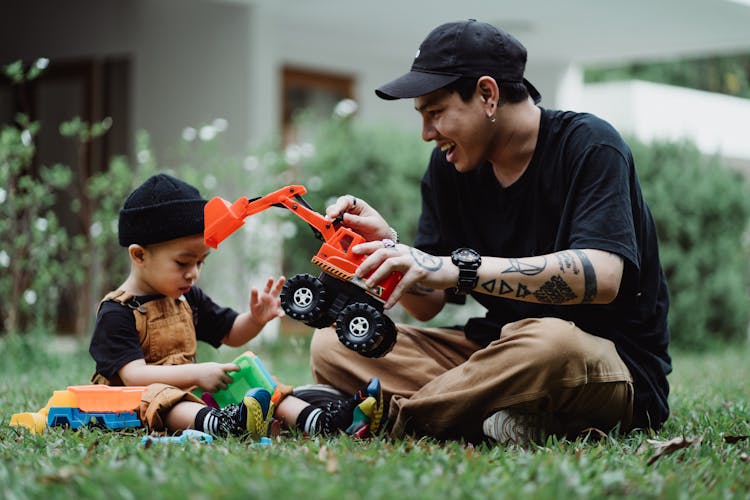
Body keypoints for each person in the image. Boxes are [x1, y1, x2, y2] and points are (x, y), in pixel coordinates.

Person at [309, 19, 671, 445]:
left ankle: (397, 419)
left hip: (599, 361)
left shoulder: (590, 144)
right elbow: (428, 306)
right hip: (494, 354)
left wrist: (457, 269)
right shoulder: (449, 168)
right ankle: (498, 413)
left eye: (436, 112)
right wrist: (388, 249)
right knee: (333, 344)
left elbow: (603, 278)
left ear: (487, 94)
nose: (427, 134)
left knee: (549, 341)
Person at [89, 173, 382, 439]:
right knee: (162, 396)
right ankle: (224, 424)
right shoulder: (118, 312)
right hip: (135, 401)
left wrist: (255, 319)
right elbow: (134, 377)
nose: (194, 273)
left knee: (251, 375)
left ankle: (322, 421)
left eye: (201, 262)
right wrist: (196, 373)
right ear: (139, 256)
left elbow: (230, 332)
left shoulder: (186, 298)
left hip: (187, 391)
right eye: (183, 263)